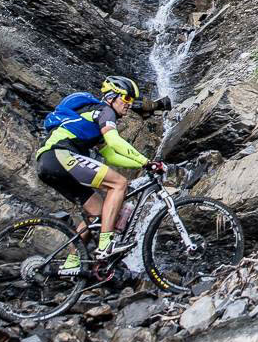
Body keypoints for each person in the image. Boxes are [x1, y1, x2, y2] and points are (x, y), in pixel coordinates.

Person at [35, 76, 171, 275]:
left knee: (98, 213)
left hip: (49, 164)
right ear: (112, 96)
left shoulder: (93, 118)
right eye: (126, 99)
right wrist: (144, 161)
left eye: (131, 101)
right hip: (60, 156)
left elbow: (111, 155)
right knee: (119, 184)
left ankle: (72, 262)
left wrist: (146, 165)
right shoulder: (104, 111)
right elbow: (115, 142)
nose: (129, 104)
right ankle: (105, 246)